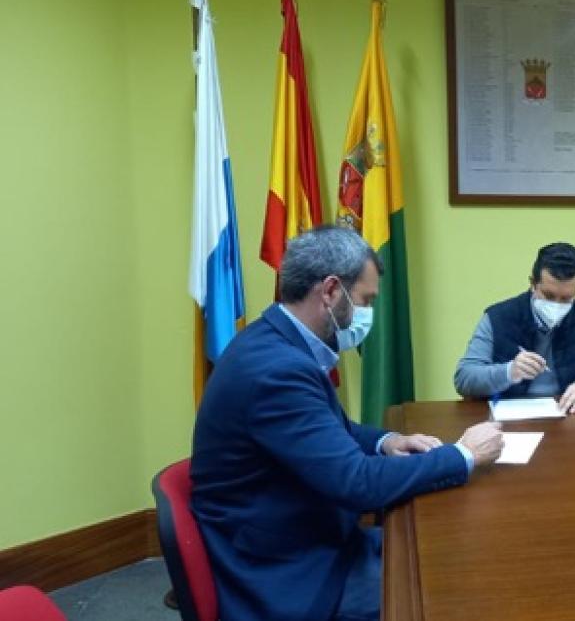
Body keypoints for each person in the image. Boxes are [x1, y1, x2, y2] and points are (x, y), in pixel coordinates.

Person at [192, 226, 503, 621]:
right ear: (331, 290)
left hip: (302, 533)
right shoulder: (277, 370)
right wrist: (464, 455)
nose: (367, 313)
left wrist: (387, 440)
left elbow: (330, 430)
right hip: (288, 571)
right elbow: (356, 484)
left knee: (443, 550)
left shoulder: (274, 340)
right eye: (366, 300)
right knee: (455, 590)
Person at [454, 242, 575, 413]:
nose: (556, 305)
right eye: (548, 295)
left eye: (566, 298)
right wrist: (509, 371)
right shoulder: (498, 317)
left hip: (567, 415)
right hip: (507, 418)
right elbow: (464, 378)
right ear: (533, 283)